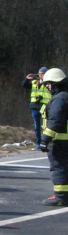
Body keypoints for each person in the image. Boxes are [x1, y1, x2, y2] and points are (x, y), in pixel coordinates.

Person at [38, 68, 68, 206]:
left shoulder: (59, 99)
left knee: (58, 167)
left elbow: (55, 121)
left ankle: (60, 197)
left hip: (59, 141)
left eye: (49, 84)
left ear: (55, 83)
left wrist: (45, 140)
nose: (47, 87)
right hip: (64, 140)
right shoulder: (64, 96)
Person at [22, 67, 51, 150]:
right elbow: (24, 85)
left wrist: (43, 82)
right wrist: (27, 79)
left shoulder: (48, 84)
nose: (40, 75)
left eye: (42, 73)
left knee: (46, 127)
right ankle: (38, 144)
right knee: (36, 127)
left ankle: (46, 143)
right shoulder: (34, 82)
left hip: (45, 107)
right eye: (39, 73)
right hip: (35, 107)